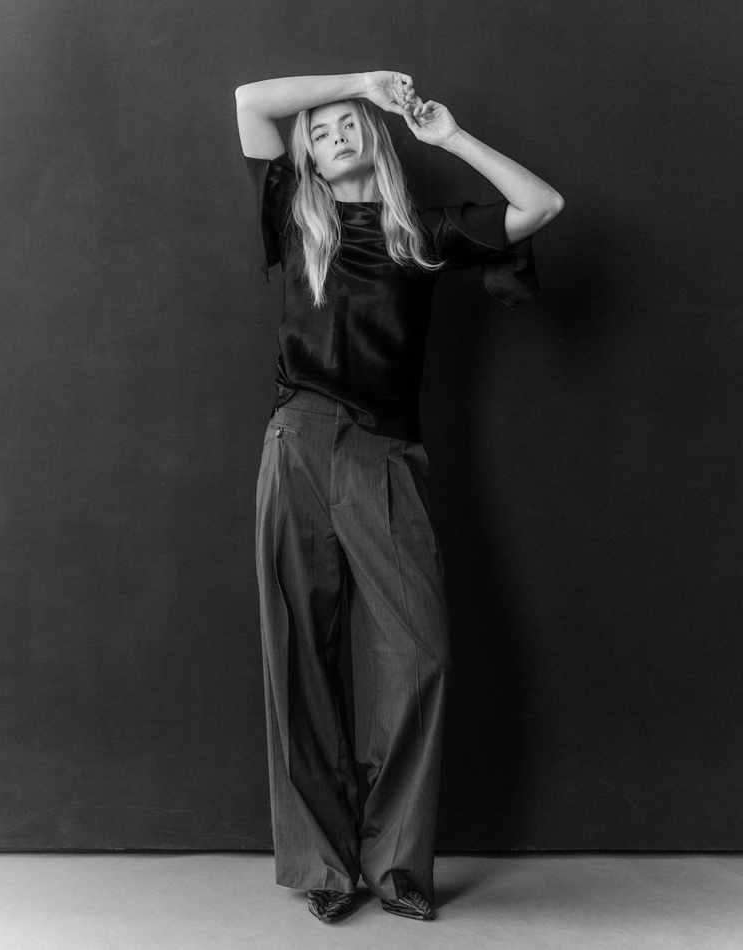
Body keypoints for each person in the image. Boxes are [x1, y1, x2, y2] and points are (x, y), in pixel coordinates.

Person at [234, 70, 563, 924]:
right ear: (308, 156)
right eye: (320, 131)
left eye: (349, 122)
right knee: (299, 654)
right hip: (299, 441)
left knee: (420, 653)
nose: (335, 134)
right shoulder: (294, 217)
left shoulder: (422, 233)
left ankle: (395, 862)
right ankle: (324, 863)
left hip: (385, 455)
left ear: (374, 137)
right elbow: (249, 101)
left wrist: (448, 136)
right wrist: (359, 81)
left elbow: (541, 205)